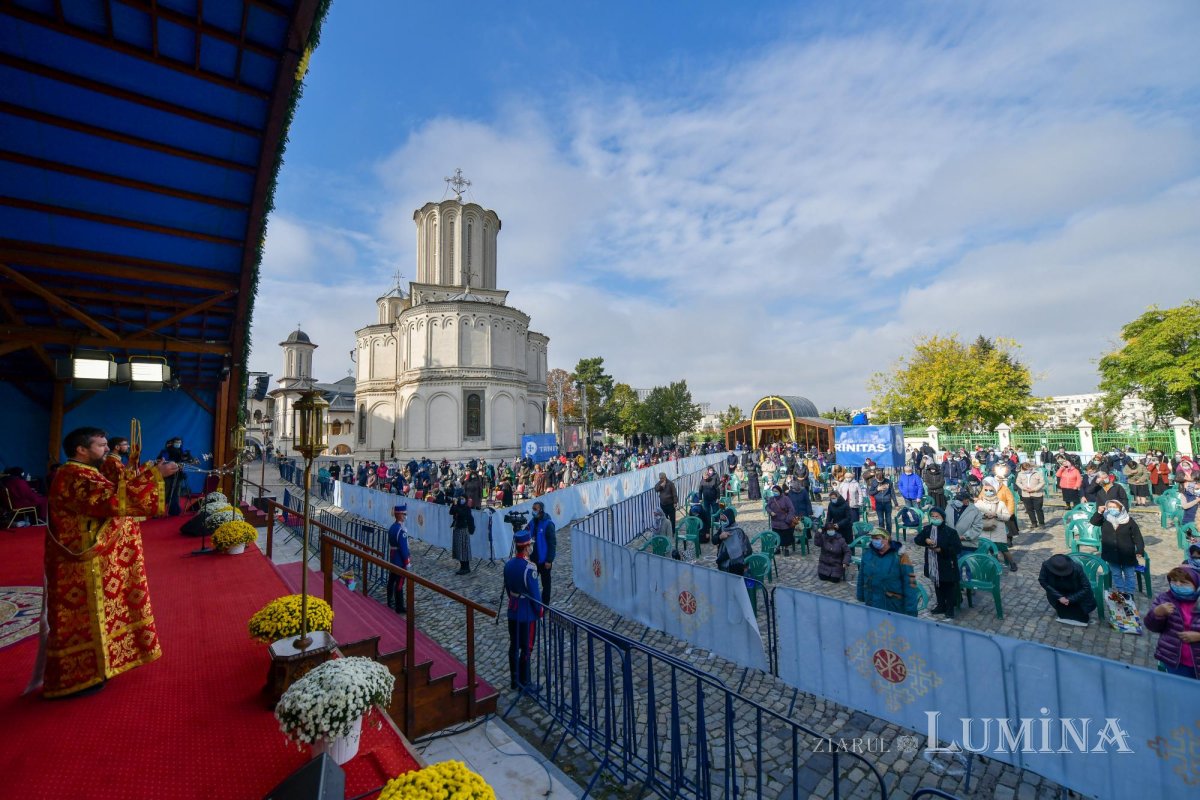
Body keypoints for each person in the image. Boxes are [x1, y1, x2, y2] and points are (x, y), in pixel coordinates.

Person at [30, 426, 179, 699]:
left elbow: (113, 490)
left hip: (86, 560)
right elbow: (112, 500)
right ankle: (78, 677)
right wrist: (157, 475)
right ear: (81, 450)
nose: (107, 450)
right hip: (79, 564)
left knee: (94, 616)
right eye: (101, 445)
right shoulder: (74, 475)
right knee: (81, 620)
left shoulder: (85, 472)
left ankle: (97, 669)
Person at [1143, 566, 1200, 679]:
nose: (1178, 584)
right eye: (1174, 581)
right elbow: (1152, 626)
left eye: (1184, 582)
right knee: (1180, 691)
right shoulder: (1164, 599)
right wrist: (1157, 613)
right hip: (1175, 661)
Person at [504, 529, 542, 691]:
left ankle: (514, 680)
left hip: (512, 609)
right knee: (526, 647)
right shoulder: (530, 568)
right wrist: (539, 611)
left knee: (514, 644)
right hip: (526, 612)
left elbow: (507, 588)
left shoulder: (509, 564)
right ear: (526, 547)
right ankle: (525, 682)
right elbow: (535, 594)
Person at [855, 528, 919, 616]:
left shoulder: (900, 556)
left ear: (886, 539)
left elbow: (910, 583)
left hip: (892, 605)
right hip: (871, 601)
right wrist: (860, 595)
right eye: (872, 538)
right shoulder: (868, 554)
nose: (874, 541)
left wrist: (911, 609)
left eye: (877, 538)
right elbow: (861, 576)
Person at [1091, 500, 1144, 600]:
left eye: (1115, 507)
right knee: (1116, 574)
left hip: (1127, 553)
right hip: (1111, 554)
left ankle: (1129, 592)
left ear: (1121, 508)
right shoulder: (1105, 518)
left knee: (1129, 574)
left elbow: (1137, 537)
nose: (1112, 509)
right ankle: (1121, 591)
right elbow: (1093, 522)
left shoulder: (1129, 521)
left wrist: (1140, 550)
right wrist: (1099, 512)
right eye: (1110, 507)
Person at [914, 507, 962, 617]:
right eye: (933, 517)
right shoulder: (927, 529)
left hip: (947, 564)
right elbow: (917, 540)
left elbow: (957, 548)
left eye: (937, 517)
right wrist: (925, 540)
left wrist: (941, 550)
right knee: (937, 584)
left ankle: (950, 609)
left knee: (948, 587)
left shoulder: (950, 532)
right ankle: (941, 605)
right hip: (933, 564)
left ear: (942, 518)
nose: (935, 518)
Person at [1038, 554, 1097, 626]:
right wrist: (1059, 597)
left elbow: (1086, 587)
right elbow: (1042, 580)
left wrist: (1070, 599)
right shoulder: (1046, 566)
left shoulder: (1076, 568)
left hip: (1076, 594)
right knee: (1063, 612)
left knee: (1080, 615)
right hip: (1058, 593)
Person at [529, 501, 556, 606]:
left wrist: (549, 560)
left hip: (544, 561)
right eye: (533, 508)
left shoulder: (548, 524)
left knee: (546, 584)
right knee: (532, 583)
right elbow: (526, 533)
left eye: (535, 509)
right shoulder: (532, 522)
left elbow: (552, 543)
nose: (533, 511)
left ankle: (545, 604)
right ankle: (534, 603)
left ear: (541, 510)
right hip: (533, 560)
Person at [156, 436, 191, 516]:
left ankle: (174, 511)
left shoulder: (183, 451)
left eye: (179, 442)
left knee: (176, 492)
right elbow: (161, 460)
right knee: (165, 491)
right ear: (172, 443)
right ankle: (159, 511)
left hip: (178, 475)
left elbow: (188, 459)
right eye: (176, 442)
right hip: (167, 475)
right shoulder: (166, 451)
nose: (178, 444)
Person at [385, 504, 411, 614]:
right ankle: (399, 606)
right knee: (399, 583)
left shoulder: (392, 527)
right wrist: (407, 562)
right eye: (404, 514)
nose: (405, 516)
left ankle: (390, 600)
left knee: (391, 580)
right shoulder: (401, 531)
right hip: (400, 560)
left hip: (393, 557)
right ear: (399, 515)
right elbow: (404, 548)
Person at [767, 485, 799, 556]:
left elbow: (791, 509)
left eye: (776, 491)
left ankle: (786, 549)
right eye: (773, 491)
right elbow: (767, 507)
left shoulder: (785, 499)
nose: (774, 492)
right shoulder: (771, 499)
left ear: (780, 491)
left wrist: (788, 519)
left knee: (785, 536)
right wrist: (770, 512)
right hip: (775, 522)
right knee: (776, 535)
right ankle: (777, 548)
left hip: (784, 521)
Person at [1015, 462, 1046, 528]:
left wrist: (1035, 489)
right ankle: (1034, 522)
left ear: (1030, 468)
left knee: (1038, 509)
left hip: (1037, 494)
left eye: (1027, 469)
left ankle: (1041, 523)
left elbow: (1042, 482)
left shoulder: (1037, 473)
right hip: (1026, 494)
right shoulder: (1020, 474)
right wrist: (1023, 488)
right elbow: (1018, 482)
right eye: (1024, 470)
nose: (1025, 471)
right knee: (1029, 509)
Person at [448, 495, 474, 575]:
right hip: (457, 528)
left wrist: (456, 506)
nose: (461, 500)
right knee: (459, 549)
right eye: (460, 498)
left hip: (463, 529)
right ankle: (462, 566)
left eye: (463, 498)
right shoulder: (458, 506)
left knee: (464, 549)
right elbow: (451, 512)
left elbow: (462, 514)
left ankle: (466, 567)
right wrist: (454, 504)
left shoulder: (466, 508)